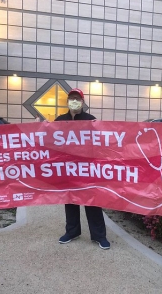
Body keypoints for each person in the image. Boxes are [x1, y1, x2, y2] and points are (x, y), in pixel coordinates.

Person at [54, 88, 110, 250]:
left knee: (93, 201)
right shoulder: (59, 120)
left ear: (83, 101)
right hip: (68, 169)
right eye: (71, 98)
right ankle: (72, 232)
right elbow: (49, 140)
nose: (74, 101)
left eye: (77, 98)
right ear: (67, 101)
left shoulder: (90, 120)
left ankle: (99, 236)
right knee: (70, 200)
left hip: (87, 169)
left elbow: (100, 142)